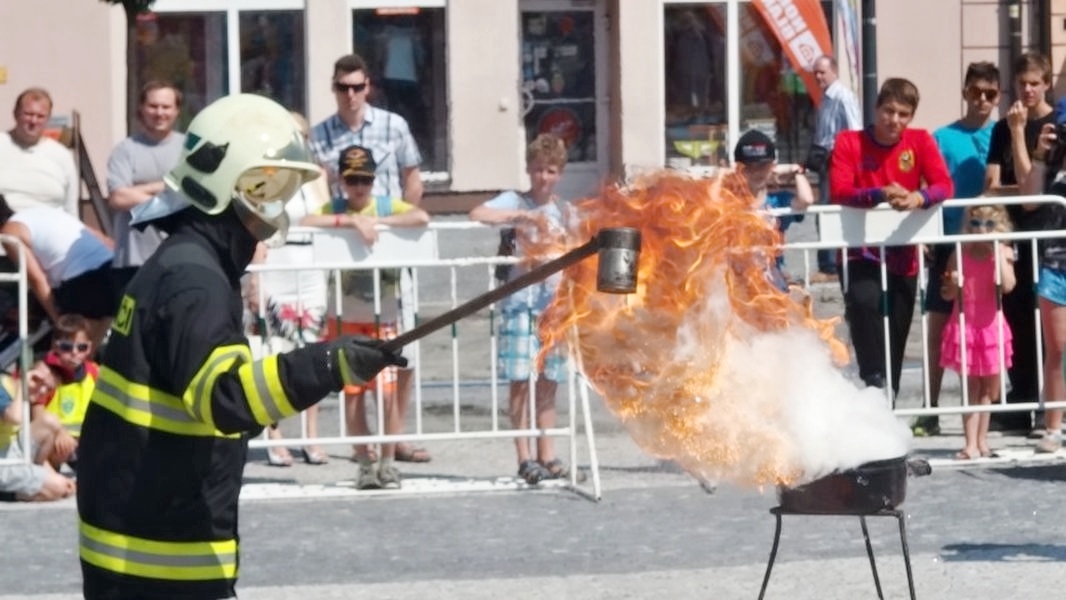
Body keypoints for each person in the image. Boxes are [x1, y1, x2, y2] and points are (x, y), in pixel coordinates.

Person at [75, 94, 406, 599]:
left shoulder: (182, 262)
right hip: (161, 560)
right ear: (229, 185)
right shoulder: (195, 282)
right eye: (266, 189)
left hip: (138, 540)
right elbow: (225, 398)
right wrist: (327, 363)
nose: (272, 207)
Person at [310, 52, 429, 465]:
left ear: (368, 86)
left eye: (357, 87)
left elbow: (413, 181)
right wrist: (344, 223)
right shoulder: (321, 134)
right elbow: (316, 192)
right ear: (334, 88)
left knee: (403, 349)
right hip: (345, 253)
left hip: (389, 250)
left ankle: (395, 438)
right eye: (343, 88)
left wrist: (394, 226)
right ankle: (364, 448)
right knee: (353, 355)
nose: (351, 95)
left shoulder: (393, 125)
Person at [301, 144, 430, 490]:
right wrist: (347, 221)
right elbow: (307, 220)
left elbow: (421, 217)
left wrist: (379, 222)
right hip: (345, 317)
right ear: (342, 182)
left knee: (387, 394)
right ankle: (363, 461)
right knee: (354, 393)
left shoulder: (386, 204)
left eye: (366, 180)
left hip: (384, 314)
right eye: (353, 180)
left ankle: (388, 460)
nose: (360, 187)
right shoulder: (336, 207)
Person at [829, 77, 954, 395]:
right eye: (888, 111)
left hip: (903, 252)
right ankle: (873, 380)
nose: (894, 120)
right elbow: (840, 189)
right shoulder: (849, 141)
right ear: (876, 108)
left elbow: (944, 185)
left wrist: (918, 198)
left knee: (898, 329)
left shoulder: (920, 140)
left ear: (911, 117)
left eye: (903, 114)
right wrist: (879, 194)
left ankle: (890, 400)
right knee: (864, 303)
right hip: (860, 250)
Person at [468, 133, 572, 485]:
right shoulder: (517, 199)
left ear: (560, 174)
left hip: (552, 306)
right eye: (539, 169)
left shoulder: (564, 210)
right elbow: (478, 212)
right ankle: (524, 456)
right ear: (529, 169)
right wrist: (519, 216)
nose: (544, 177)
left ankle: (548, 452)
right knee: (519, 380)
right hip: (519, 302)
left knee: (549, 381)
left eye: (551, 170)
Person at [915, 61, 1001, 437]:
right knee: (937, 327)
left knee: (993, 331)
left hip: (991, 247)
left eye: (990, 94)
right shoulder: (941, 137)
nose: (982, 100)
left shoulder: (1001, 134)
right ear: (964, 92)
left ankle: (995, 409)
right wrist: (925, 238)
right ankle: (930, 409)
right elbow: (925, 186)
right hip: (948, 243)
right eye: (976, 92)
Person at [245, 111, 333, 467]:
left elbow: (322, 216)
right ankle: (274, 433)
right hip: (276, 267)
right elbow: (256, 226)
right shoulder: (265, 175)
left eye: (301, 135)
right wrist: (254, 278)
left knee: (313, 353)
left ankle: (311, 433)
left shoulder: (317, 176)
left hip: (311, 270)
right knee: (273, 352)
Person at [984, 52, 1055, 435]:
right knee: (1015, 316)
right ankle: (1021, 397)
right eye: (1022, 83)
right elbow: (991, 185)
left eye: (1034, 83)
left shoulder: (1054, 125)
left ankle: (1051, 403)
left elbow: (1039, 193)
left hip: (1048, 231)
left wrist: (1031, 188)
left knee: (1049, 319)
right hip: (1012, 233)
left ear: (1045, 83)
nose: (1027, 90)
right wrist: (1028, 188)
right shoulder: (1002, 128)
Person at [939, 204, 1016, 459]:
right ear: (967, 225)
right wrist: (952, 282)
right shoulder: (960, 253)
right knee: (971, 387)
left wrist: (999, 251)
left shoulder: (1003, 252)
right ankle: (970, 442)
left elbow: (1008, 286)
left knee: (989, 390)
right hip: (966, 327)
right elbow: (947, 294)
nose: (981, 229)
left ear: (999, 227)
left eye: (989, 224)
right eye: (975, 223)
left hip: (991, 327)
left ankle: (982, 441)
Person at [0, 194, 122, 346]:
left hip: (82, 281)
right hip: (112, 270)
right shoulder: (40, 213)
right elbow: (102, 238)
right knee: (88, 351)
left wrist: (58, 321)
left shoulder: (9, 233)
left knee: (69, 352)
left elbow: (37, 279)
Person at [1019, 118, 1066, 453]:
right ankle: (1053, 426)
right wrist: (1040, 154)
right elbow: (1029, 201)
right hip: (1054, 266)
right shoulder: (1051, 167)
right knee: (1059, 350)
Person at [106, 80, 185, 272]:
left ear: (177, 111)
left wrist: (136, 191)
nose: (159, 113)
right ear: (142, 109)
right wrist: (162, 189)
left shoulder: (187, 149)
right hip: (133, 259)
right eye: (153, 106)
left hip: (178, 256)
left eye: (166, 107)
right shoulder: (125, 150)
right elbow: (118, 198)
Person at [730, 129, 814, 288]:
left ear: (772, 166)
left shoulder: (778, 200)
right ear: (740, 170)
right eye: (749, 167)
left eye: (762, 165)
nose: (756, 172)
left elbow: (806, 199)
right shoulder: (729, 200)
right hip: (738, 282)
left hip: (772, 282)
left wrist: (796, 170)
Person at [808, 55, 862, 283]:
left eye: (822, 72)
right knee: (824, 208)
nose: (818, 77)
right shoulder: (826, 98)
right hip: (824, 158)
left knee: (828, 209)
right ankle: (829, 262)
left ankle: (830, 265)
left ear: (834, 71)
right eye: (816, 73)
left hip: (838, 159)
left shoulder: (843, 97)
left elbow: (854, 130)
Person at [30, 314, 99, 468]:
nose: (75, 353)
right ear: (55, 346)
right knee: (61, 447)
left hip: (84, 440)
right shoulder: (45, 374)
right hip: (55, 441)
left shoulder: (94, 372)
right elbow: (37, 413)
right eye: (67, 347)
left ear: (89, 347)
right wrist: (60, 432)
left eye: (82, 347)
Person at [0, 87, 79, 216]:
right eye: (28, 114)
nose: (34, 121)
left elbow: (71, 209)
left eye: (40, 116)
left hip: (49, 227)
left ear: (48, 118)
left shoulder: (61, 155)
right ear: (15, 114)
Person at [0, 370, 76, 502]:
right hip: (3, 462)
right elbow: (14, 418)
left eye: (48, 389)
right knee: (58, 489)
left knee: (50, 422)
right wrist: (23, 385)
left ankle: (35, 479)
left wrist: (57, 476)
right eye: (39, 383)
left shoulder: (19, 390)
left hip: (13, 451)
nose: (43, 392)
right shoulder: (3, 386)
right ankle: (8, 492)